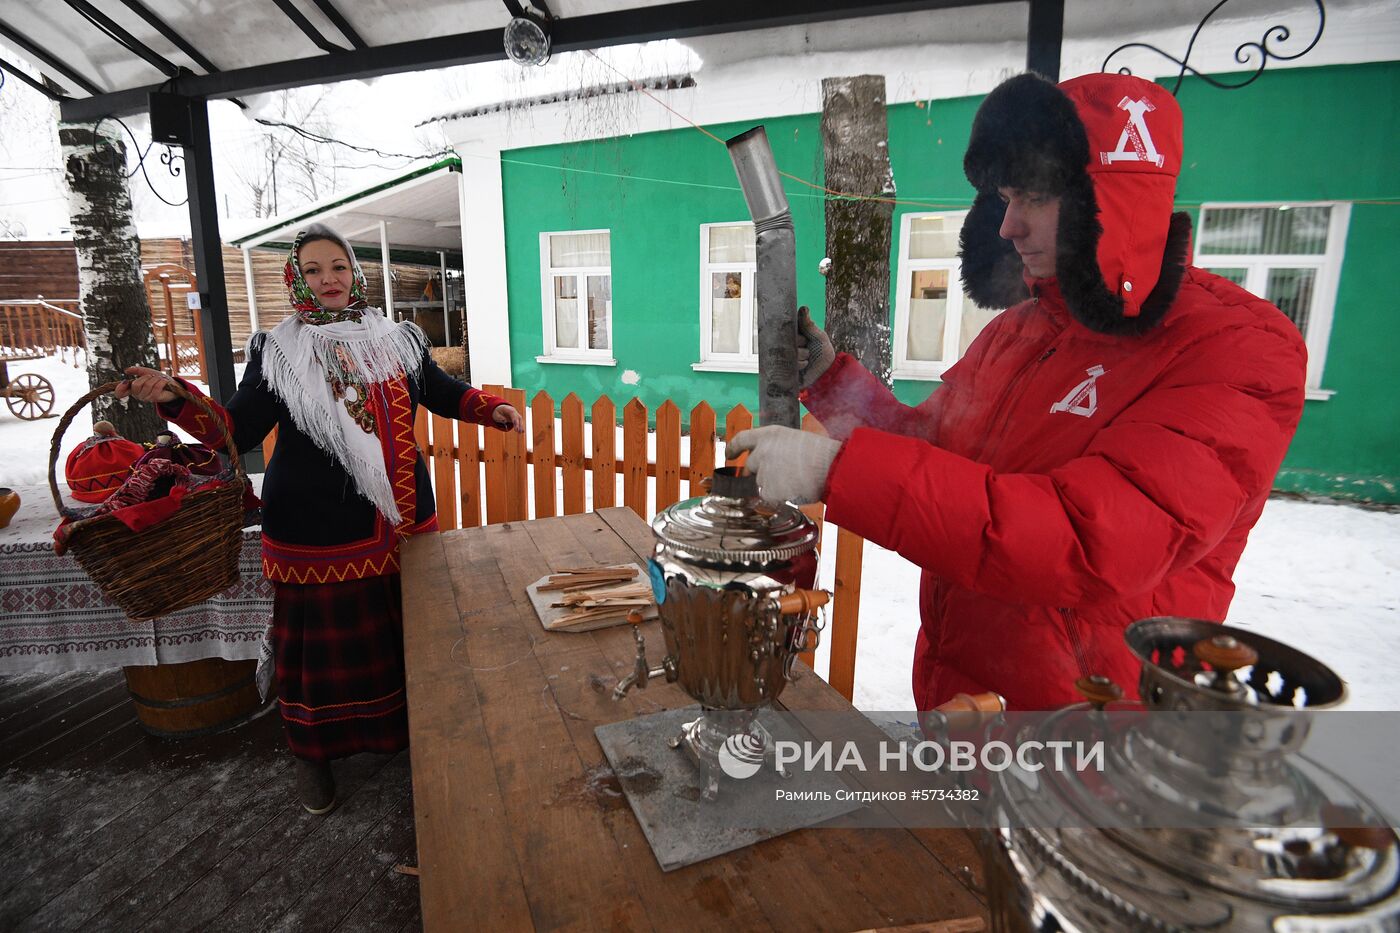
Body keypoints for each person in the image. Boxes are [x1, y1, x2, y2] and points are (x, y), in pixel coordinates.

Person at [729, 72, 1307, 711]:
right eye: (1004, 198)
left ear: (1109, 203)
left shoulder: (1235, 349)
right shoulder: (1019, 330)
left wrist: (838, 473)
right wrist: (832, 383)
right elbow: (935, 451)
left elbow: (1090, 541)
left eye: (1031, 197)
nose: (1007, 227)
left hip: (1090, 724)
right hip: (963, 692)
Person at [119, 223, 523, 812]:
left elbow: (439, 389)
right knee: (320, 663)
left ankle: (414, 743)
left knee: (410, 642)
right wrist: (176, 399)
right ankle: (314, 762)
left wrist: (491, 408)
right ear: (296, 279)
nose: (328, 279)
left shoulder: (397, 338)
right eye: (312, 269)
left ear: (355, 273)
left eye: (338, 266)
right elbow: (237, 430)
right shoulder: (279, 350)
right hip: (317, 530)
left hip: (403, 523)